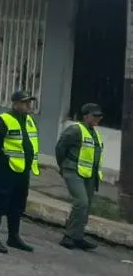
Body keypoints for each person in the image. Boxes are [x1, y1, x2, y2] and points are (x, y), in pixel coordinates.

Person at [0, 89, 39, 253]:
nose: (28, 105)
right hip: (6, 169)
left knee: (17, 204)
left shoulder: (29, 121)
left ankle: (13, 237)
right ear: (15, 104)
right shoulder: (3, 120)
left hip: (23, 170)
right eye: (25, 102)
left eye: (29, 102)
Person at [55, 102, 105, 250]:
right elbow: (60, 148)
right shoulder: (75, 130)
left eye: (99, 116)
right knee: (81, 202)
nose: (98, 118)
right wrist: (63, 166)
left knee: (86, 206)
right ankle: (69, 236)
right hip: (73, 170)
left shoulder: (95, 134)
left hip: (89, 175)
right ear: (85, 116)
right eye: (94, 116)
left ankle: (77, 236)